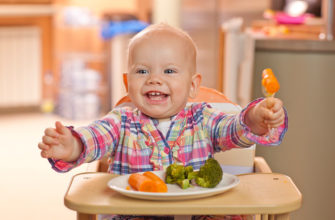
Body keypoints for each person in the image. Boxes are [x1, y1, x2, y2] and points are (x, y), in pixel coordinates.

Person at [38, 23, 287, 220]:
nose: (154, 79)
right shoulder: (120, 121)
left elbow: (234, 129)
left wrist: (255, 118)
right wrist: (74, 146)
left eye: (169, 71)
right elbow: (95, 136)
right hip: (135, 214)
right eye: (142, 71)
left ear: (192, 85)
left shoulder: (204, 117)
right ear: (127, 83)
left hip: (200, 212)